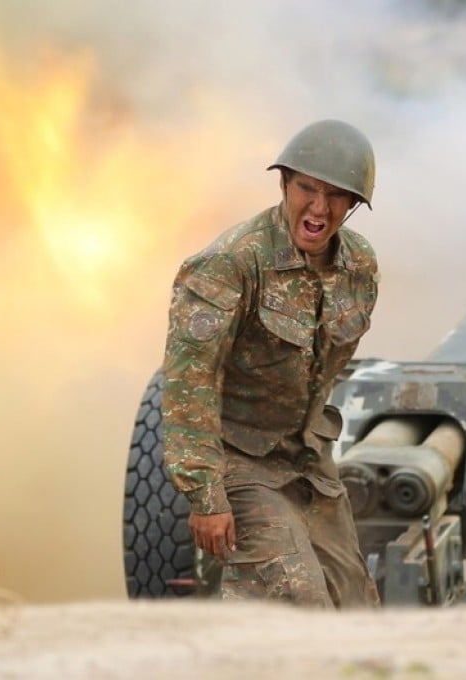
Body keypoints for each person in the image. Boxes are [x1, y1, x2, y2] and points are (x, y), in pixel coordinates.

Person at [161, 119, 381, 608]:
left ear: (353, 205)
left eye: (337, 196)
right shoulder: (230, 263)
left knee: (357, 610)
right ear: (284, 182)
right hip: (238, 460)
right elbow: (189, 382)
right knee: (297, 605)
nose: (319, 209)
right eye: (307, 188)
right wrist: (205, 496)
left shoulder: (358, 266)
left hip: (307, 460)